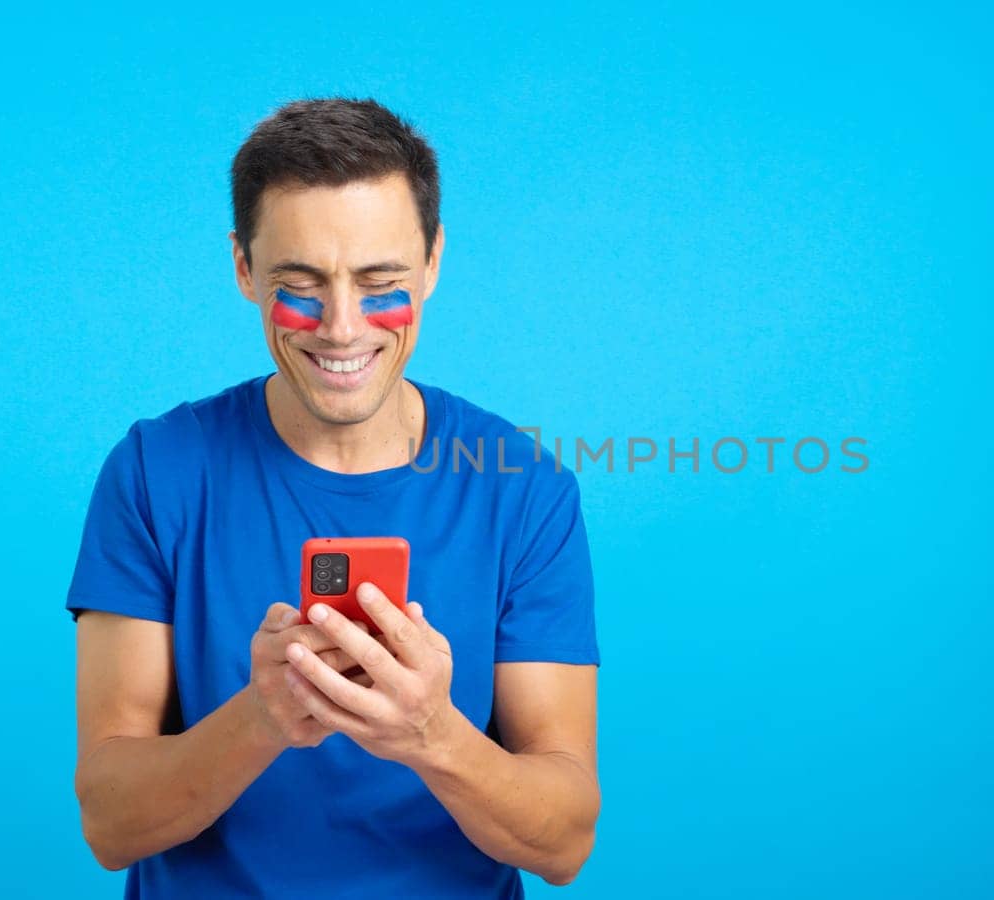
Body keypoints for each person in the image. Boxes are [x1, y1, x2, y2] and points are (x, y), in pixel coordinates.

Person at [66, 98, 600, 898]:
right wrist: (263, 717)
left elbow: (563, 843)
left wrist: (432, 734)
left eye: (380, 281)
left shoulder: (525, 490)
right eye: (301, 283)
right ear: (244, 268)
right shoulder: (156, 472)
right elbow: (110, 824)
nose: (342, 328)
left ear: (433, 262)